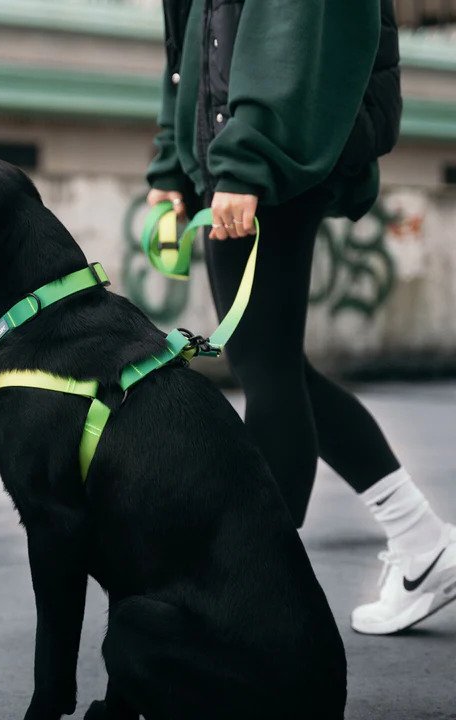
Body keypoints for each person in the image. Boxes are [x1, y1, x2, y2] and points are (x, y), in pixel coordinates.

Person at [145, 0, 456, 635]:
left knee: (268, 372)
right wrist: (173, 160)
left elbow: (286, 24)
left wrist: (245, 160)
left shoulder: (253, 155)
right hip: (241, 151)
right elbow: (192, 36)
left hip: (264, 152)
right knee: (275, 366)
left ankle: (251, 590)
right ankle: (421, 543)